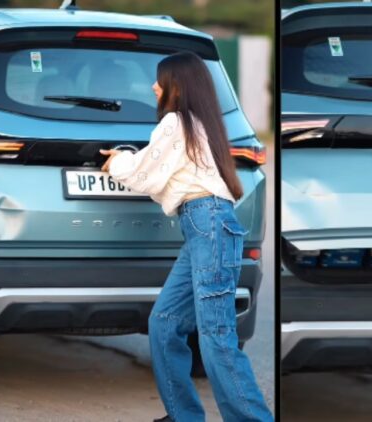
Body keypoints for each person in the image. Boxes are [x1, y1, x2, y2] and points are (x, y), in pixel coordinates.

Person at [99, 51, 273, 422]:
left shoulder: (176, 123)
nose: (153, 86)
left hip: (207, 225)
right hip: (204, 227)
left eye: (159, 80)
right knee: (164, 323)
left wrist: (116, 161)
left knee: (217, 336)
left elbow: (145, 173)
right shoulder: (196, 123)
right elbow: (159, 165)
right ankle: (183, 416)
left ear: (175, 87)